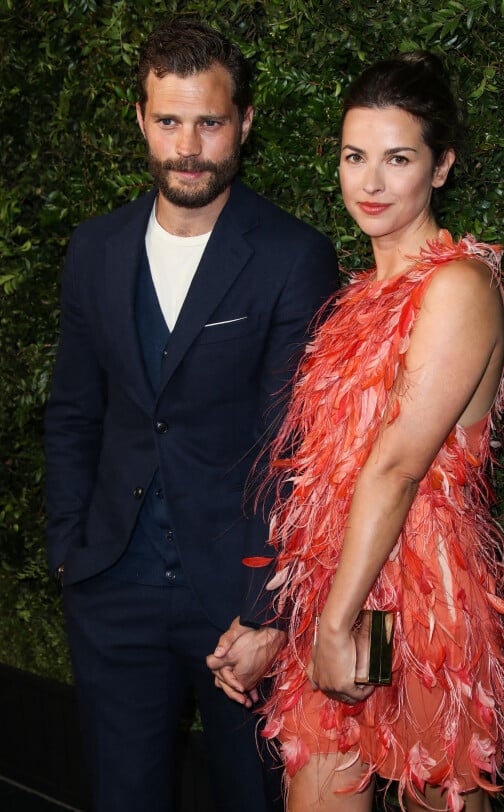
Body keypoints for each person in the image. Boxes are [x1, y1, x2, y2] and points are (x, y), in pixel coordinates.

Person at [210, 53, 504, 811]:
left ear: (442, 166)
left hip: (420, 607)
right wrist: (285, 619)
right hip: (341, 585)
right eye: (355, 157)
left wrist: (331, 624)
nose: (371, 182)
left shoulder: (458, 286)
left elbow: (394, 469)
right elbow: (320, 479)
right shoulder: (355, 296)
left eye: (399, 159)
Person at [44, 16, 338, 812]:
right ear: (141, 119)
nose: (188, 146)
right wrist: (70, 552)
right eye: (169, 121)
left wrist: (269, 611)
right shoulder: (94, 249)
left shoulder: (292, 255)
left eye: (209, 122)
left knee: (254, 798)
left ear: (243, 122)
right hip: (112, 586)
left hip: (236, 601)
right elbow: (73, 410)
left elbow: (297, 446)